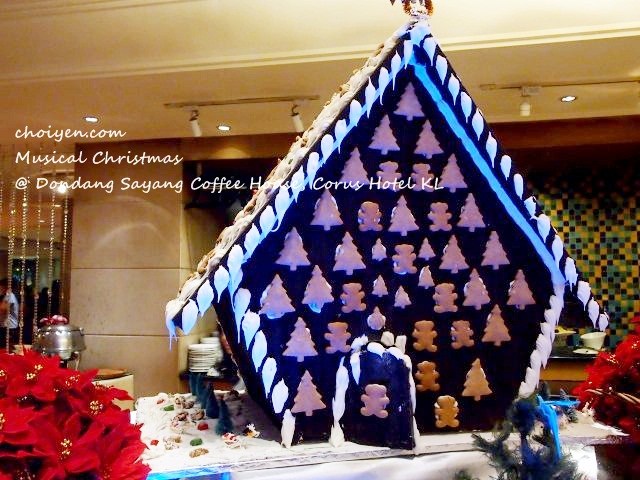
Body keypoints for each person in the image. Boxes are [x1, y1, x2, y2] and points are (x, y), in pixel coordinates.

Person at [0, 278, 19, 347]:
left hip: (9, 328)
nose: (0, 289)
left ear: (6, 287)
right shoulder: (7, 296)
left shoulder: (9, 296)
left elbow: (2, 310)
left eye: (1, 287)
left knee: (6, 349)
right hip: (6, 327)